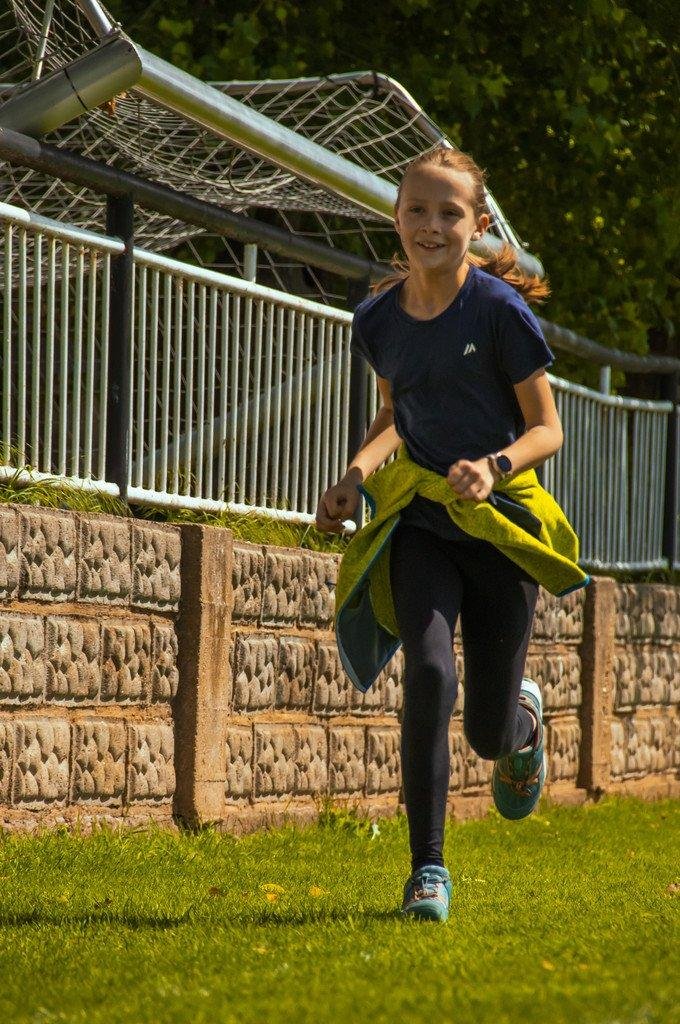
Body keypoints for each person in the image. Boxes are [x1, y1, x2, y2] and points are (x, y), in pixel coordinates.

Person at [315, 144, 571, 923]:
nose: (431, 225)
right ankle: (427, 872)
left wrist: (494, 466)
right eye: (417, 210)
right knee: (427, 674)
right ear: (396, 218)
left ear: (478, 225)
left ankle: (521, 723)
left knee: (487, 734)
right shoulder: (377, 319)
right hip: (423, 520)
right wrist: (355, 474)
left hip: (500, 526)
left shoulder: (498, 311)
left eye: (449, 213)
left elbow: (547, 428)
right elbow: (397, 412)